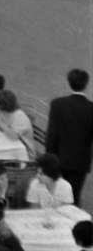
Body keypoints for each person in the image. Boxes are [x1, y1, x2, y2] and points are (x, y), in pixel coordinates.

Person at [46, 69, 93, 204]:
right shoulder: (91, 108)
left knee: (54, 195)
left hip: (58, 159)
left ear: (69, 83)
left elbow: (52, 134)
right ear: (86, 84)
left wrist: (48, 159)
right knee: (73, 196)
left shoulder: (58, 104)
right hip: (80, 162)